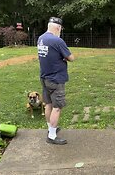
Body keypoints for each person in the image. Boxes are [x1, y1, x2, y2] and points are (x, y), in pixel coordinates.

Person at [37, 17, 75, 145]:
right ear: (58, 27)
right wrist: (64, 59)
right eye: (60, 29)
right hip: (56, 79)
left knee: (48, 104)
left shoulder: (41, 38)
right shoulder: (57, 41)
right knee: (57, 107)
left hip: (44, 77)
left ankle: (50, 129)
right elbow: (71, 58)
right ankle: (52, 136)